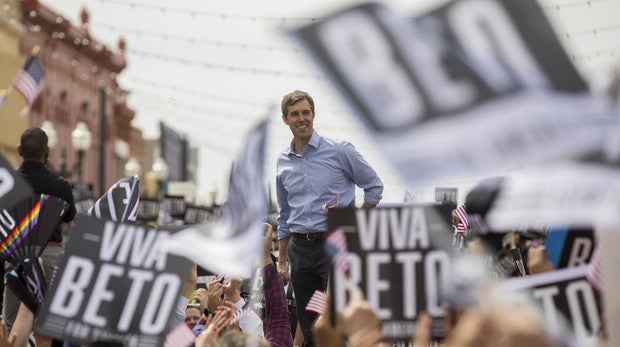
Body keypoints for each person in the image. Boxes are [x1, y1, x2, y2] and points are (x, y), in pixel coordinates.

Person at [275, 90, 383, 346]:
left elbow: (374, 187)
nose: (302, 119)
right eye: (295, 114)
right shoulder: (282, 162)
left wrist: (355, 223)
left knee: (335, 319)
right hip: (300, 252)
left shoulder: (340, 150)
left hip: (336, 247)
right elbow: (285, 214)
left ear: (313, 115)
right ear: (285, 119)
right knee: (309, 323)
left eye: (306, 112)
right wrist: (281, 259)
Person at [4, 127, 77, 345]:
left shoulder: (7, 185)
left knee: (12, 322)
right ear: (47, 152)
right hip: (51, 253)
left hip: (16, 253)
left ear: (19, 150)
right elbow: (69, 217)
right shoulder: (60, 185)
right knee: (47, 323)